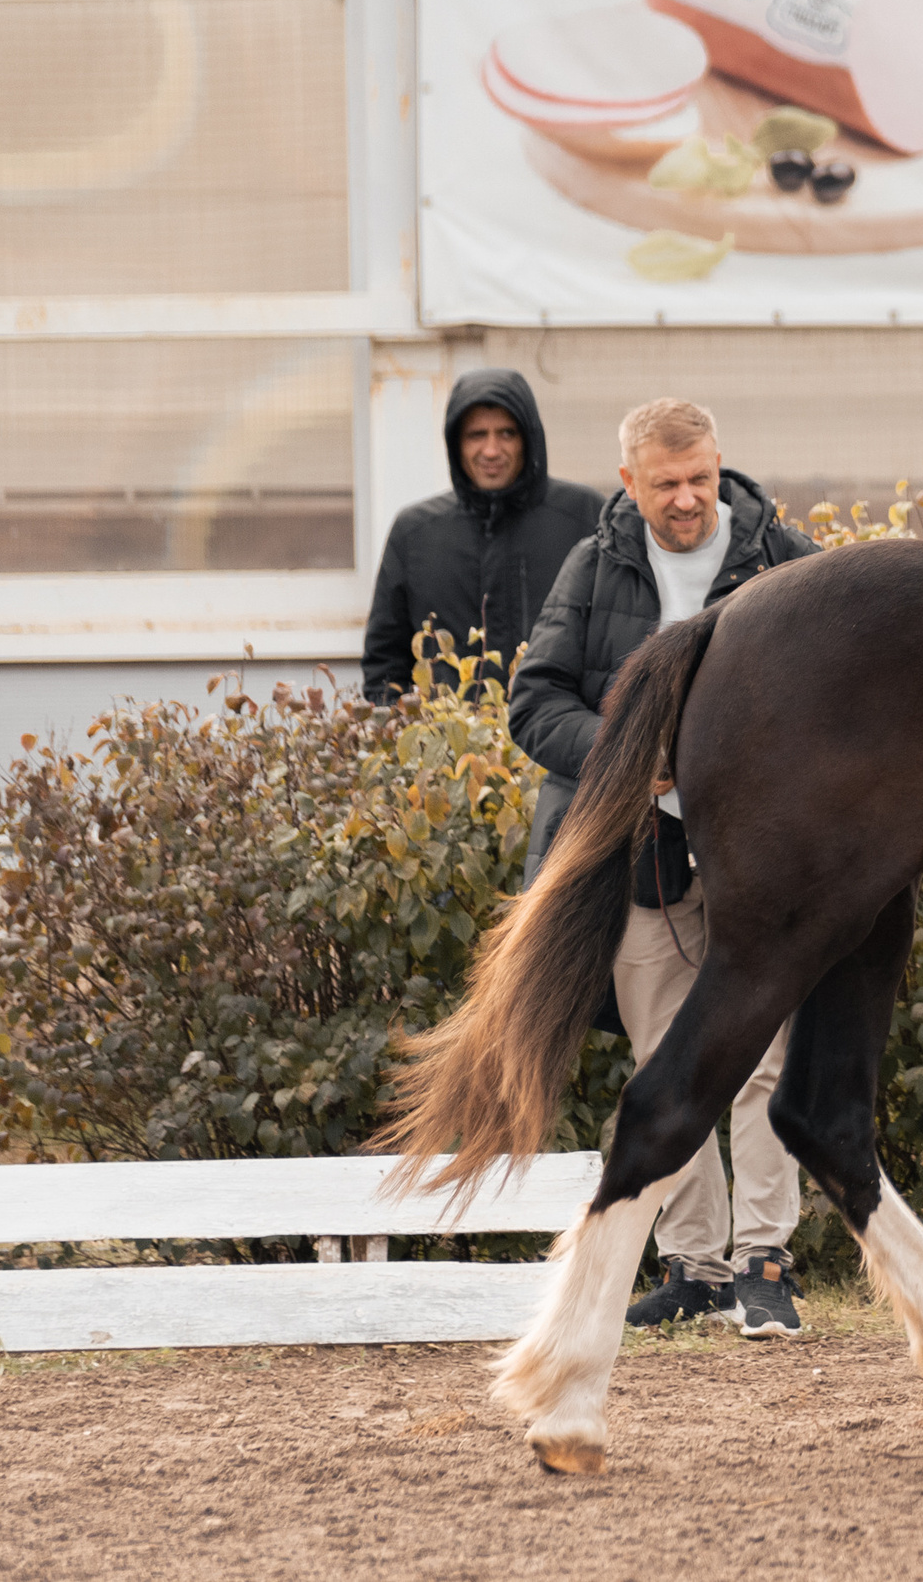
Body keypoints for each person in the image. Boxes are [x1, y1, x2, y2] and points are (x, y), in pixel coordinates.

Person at [510, 397, 819, 1336]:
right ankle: (697, 1267)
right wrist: (631, 756)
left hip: (757, 848)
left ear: (721, 464)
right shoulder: (596, 562)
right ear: (629, 483)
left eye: (701, 479)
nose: (688, 501)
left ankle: (768, 1263)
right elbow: (534, 701)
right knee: (663, 1054)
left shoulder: (786, 562)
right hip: (637, 852)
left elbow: (842, 710)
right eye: (666, 485)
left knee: (767, 1057)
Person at [361, 369, 605, 703]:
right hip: (449, 744)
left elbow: (618, 637)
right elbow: (385, 662)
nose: (491, 450)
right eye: (477, 435)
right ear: (456, 443)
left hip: (558, 744)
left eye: (507, 433)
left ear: (529, 438)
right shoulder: (415, 532)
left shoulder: (583, 516)